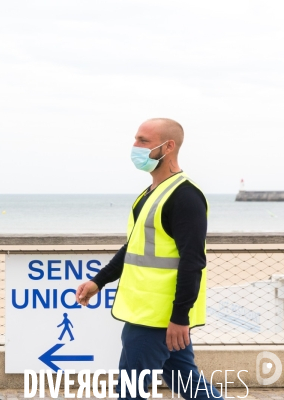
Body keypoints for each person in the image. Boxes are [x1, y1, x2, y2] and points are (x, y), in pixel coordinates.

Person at [75, 118, 223, 400]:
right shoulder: (151, 193)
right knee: (189, 384)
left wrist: (180, 317)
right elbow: (133, 248)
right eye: (136, 139)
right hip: (149, 313)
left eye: (143, 141)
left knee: (130, 391)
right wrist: (98, 281)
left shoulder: (185, 196)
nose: (135, 147)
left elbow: (193, 262)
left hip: (157, 319)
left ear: (168, 146)